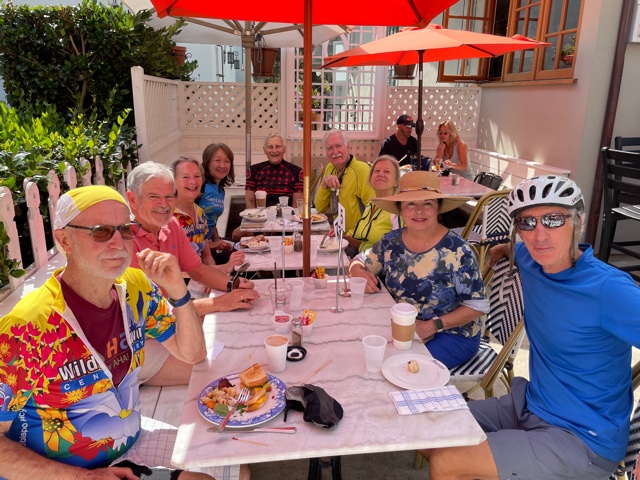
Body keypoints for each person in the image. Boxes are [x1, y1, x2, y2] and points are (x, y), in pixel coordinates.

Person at [421, 175, 640, 480]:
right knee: (425, 429)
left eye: (553, 219)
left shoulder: (609, 289)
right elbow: (516, 251)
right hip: (531, 404)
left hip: (582, 437)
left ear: (578, 221)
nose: (539, 235)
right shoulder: (532, 259)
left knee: (448, 462)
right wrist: (501, 251)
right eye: (526, 222)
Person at [0, 185, 212, 479]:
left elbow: (192, 353)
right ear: (65, 240)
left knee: (235, 467)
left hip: (129, 443)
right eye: (100, 232)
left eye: (125, 230)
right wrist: (82, 477)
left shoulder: (136, 287)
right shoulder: (30, 327)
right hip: (64, 472)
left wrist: (179, 292)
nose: (118, 243)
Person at [126, 162, 259, 386]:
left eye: (169, 197)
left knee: (239, 342)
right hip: (138, 341)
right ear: (133, 200)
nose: (164, 205)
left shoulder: (171, 225)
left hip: (167, 326)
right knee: (217, 369)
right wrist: (218, 304)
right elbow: (154, 315)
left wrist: (233, 284)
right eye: (154, 197)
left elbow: (197, 269)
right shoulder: (123, 243)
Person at [348, 171, 489, 368]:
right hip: (402, 327)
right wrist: (359, 272)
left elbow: (477, 306)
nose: (419, 211)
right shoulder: (391, 242)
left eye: (428, 203)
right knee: (359, 352)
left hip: (451, 334)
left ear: (438, 208)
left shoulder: (457, 251)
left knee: (396, 368)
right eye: (411, 203)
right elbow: (359, 260)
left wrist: (433, 325)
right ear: (400, 209)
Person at [171, 155, 244, 279]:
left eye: (197, 176)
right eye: (185, 177)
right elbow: (177, 270)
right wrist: (225, 268)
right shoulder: (169, 218)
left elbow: (207, 256)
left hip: (202, 278)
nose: (193, 182)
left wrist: (216, 278)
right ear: (173, 181)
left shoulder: (199, 213)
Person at [232, 133, 304, 241]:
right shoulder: (254, 170)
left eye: (278, 146)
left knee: (302, 236)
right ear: (264, 150)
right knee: (237, 234)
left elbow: (296, 207)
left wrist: (278, 226)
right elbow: (250, 202)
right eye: (270, 147)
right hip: (260, 220)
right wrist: (261, 225)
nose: (274, 151)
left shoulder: (296, 171)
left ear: (284, 149)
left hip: (286, 221)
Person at [341, 155, 402, 258]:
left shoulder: (396, 210)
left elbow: (397, 252)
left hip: (379, 267)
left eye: (387, 172)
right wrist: (342, 236)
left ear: (396, 182)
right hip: (361, 257)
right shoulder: (371, 205)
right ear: (370, 179)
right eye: (377, 171)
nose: (380, 174)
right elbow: (364, 244)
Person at [314, 130, 376, 233]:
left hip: (357, 239)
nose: (335, 152)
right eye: (330, 148)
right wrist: (324, 184)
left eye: (338, 146)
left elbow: (373, 211)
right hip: (338, 234)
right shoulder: (330, 168)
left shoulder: (362, 170)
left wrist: (350, 236)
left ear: (348, 147)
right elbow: (320, 208)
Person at [198, 143, 236, 264]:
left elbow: (211, 220)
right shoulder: (200, 186)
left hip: (209, 242)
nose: (222, 165)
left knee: (243, 247)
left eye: (226, 161)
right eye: (217, 160)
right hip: (198, 247)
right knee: (239, 257)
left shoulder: (220, 190)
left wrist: (217, 239)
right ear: (207, 162)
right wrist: (210, 244)